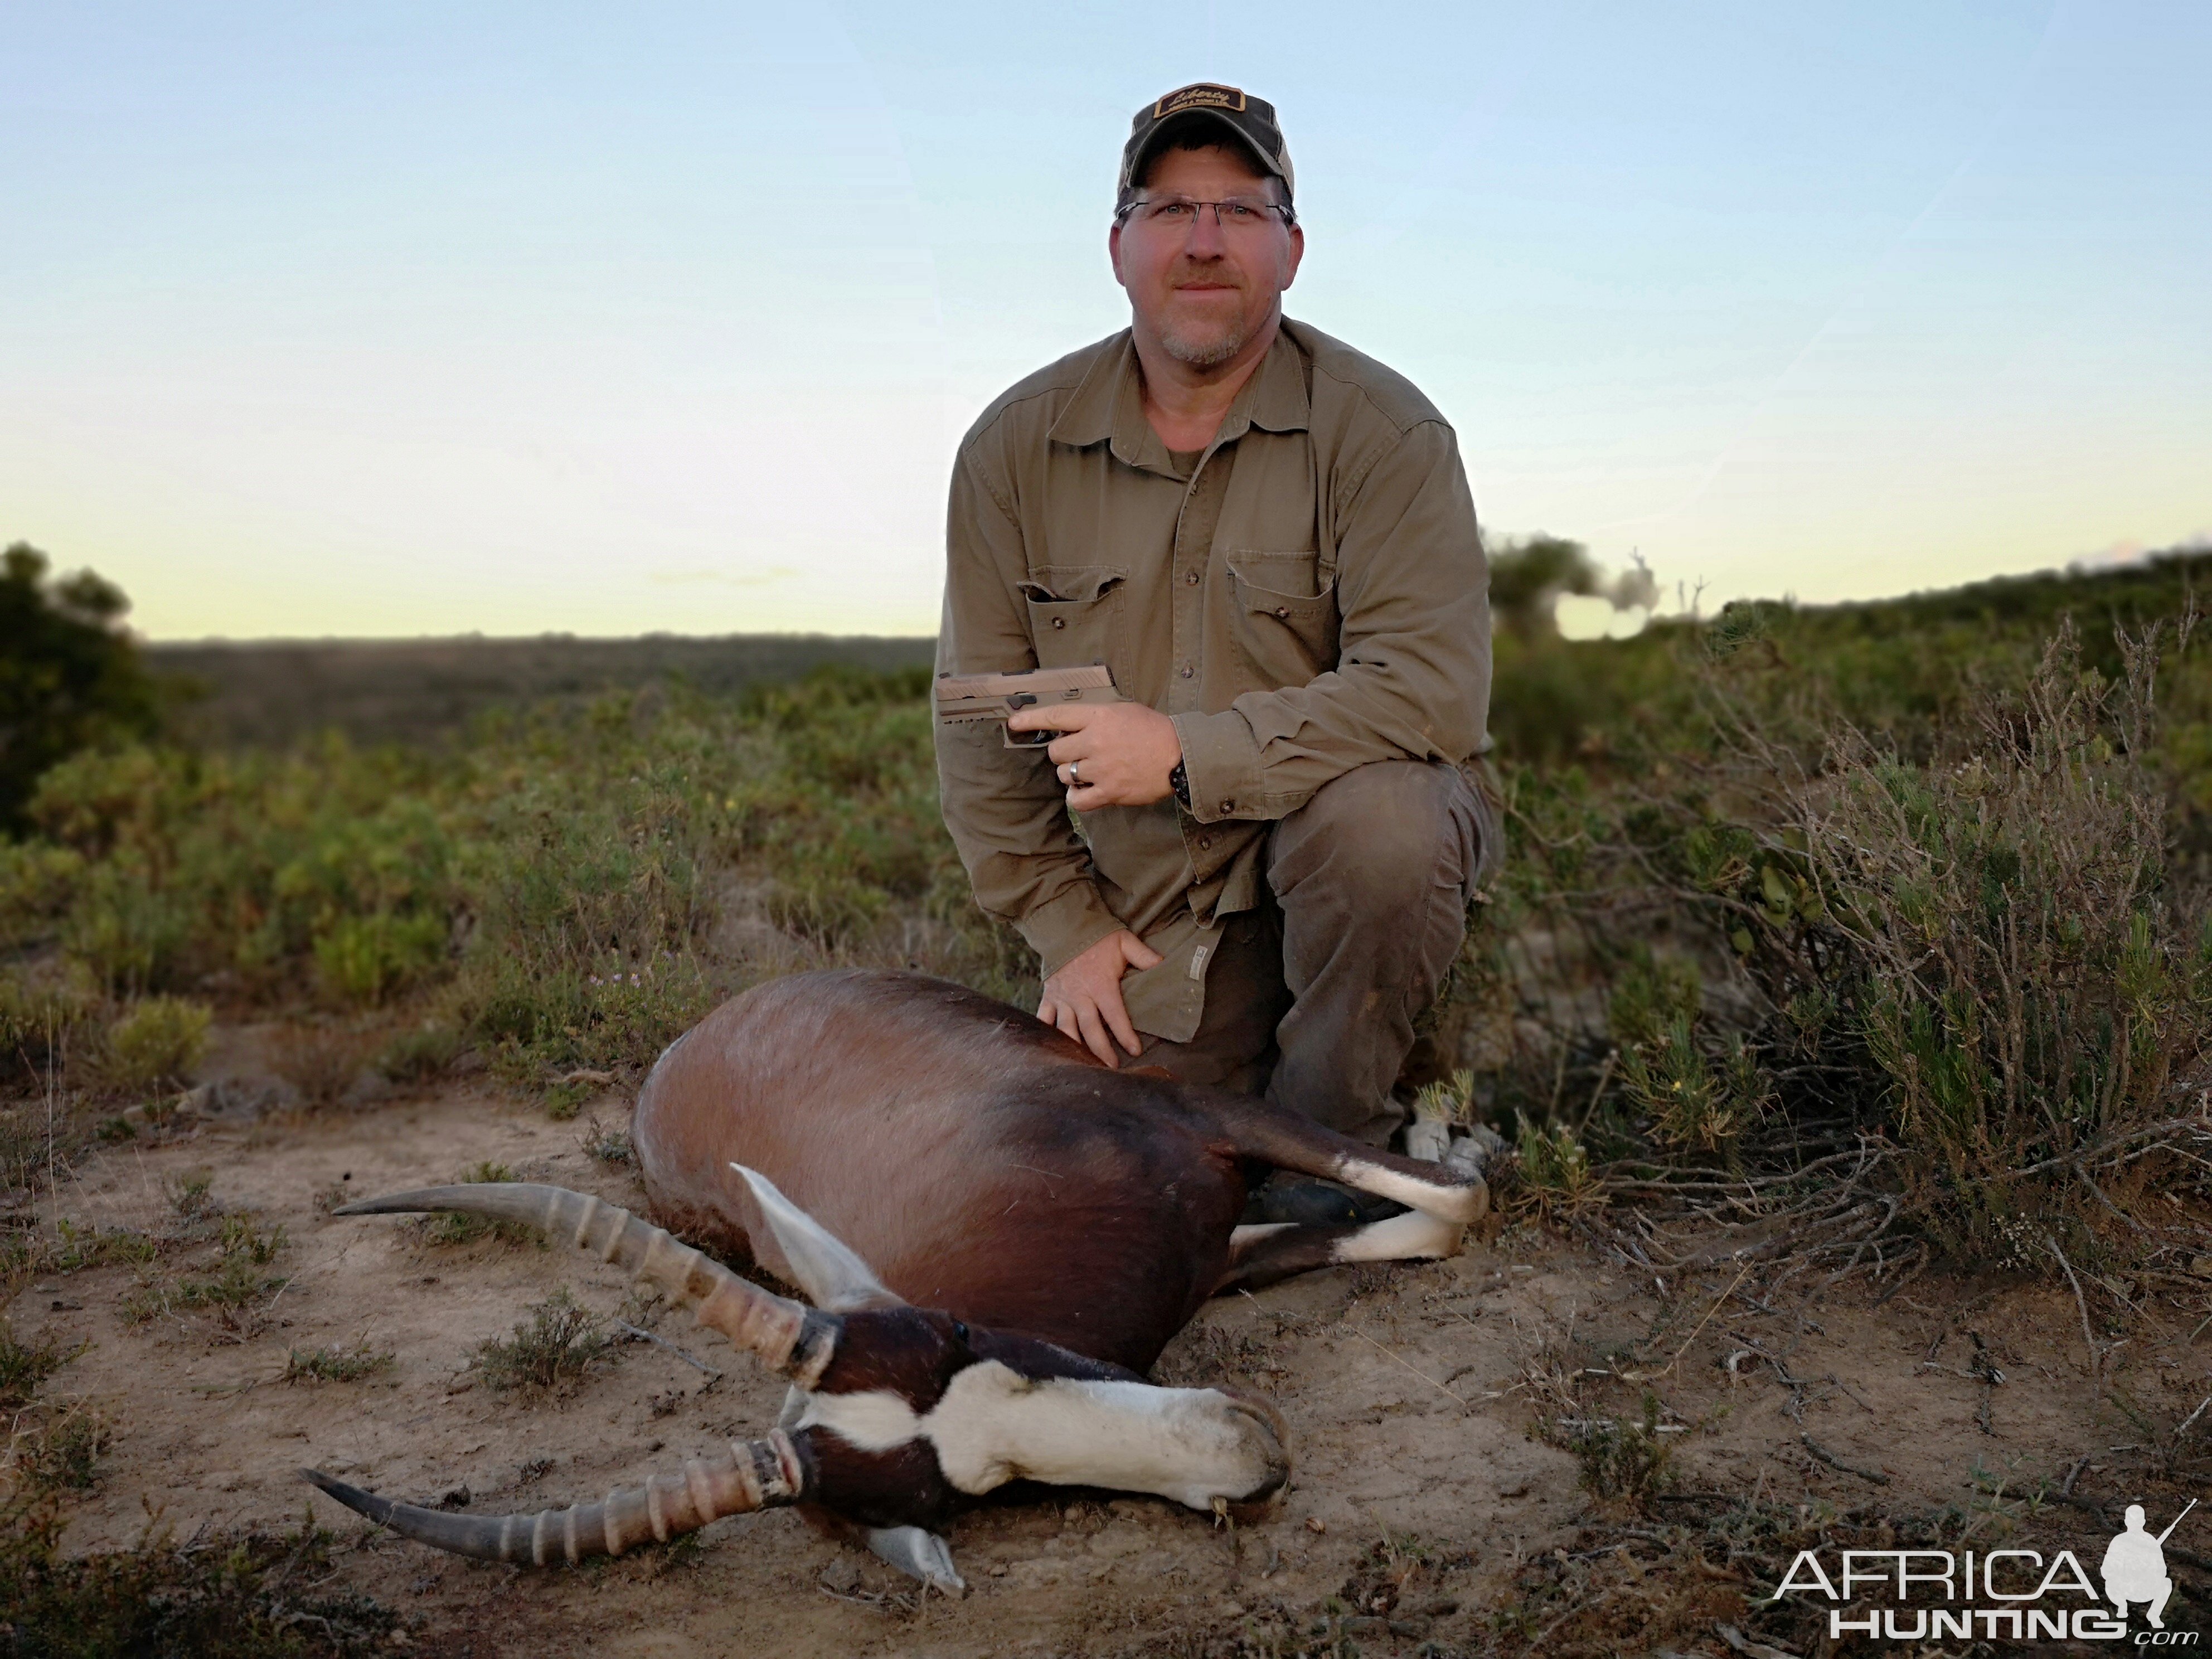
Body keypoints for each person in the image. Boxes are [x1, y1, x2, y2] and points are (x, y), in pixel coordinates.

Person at [934, 83, 1497, 1220]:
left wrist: (1186, 752)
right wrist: (1068, 931)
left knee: (1383, 827)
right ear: (1117, 246)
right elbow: (976, 724)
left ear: (1290, 249)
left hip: (1334, 877)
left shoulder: (1385, 435)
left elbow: (1429, 691)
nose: (1203, 242)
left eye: (1240, 212)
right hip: (1148, 916)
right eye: (1169, 209)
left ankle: (1343, 1143)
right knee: (1087, 1178)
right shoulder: (1013, 447)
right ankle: (1256, 1091)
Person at [2102, 1503, 2176, 1628]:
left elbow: (2162, 1571)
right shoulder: (2119, 1541)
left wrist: (2148, 1568)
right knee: (2110, 1583)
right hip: (2123, 1588)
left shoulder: (2151, 1541)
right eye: (2132, 1520)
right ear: (2126, 1521)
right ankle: (2122, 1606)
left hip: (2144, 1588)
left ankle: (2154, 1615)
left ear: (2143, 1522)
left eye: (2138, 1520)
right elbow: (2106, 1570)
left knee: (2166, 1583)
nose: (2135, 1523)